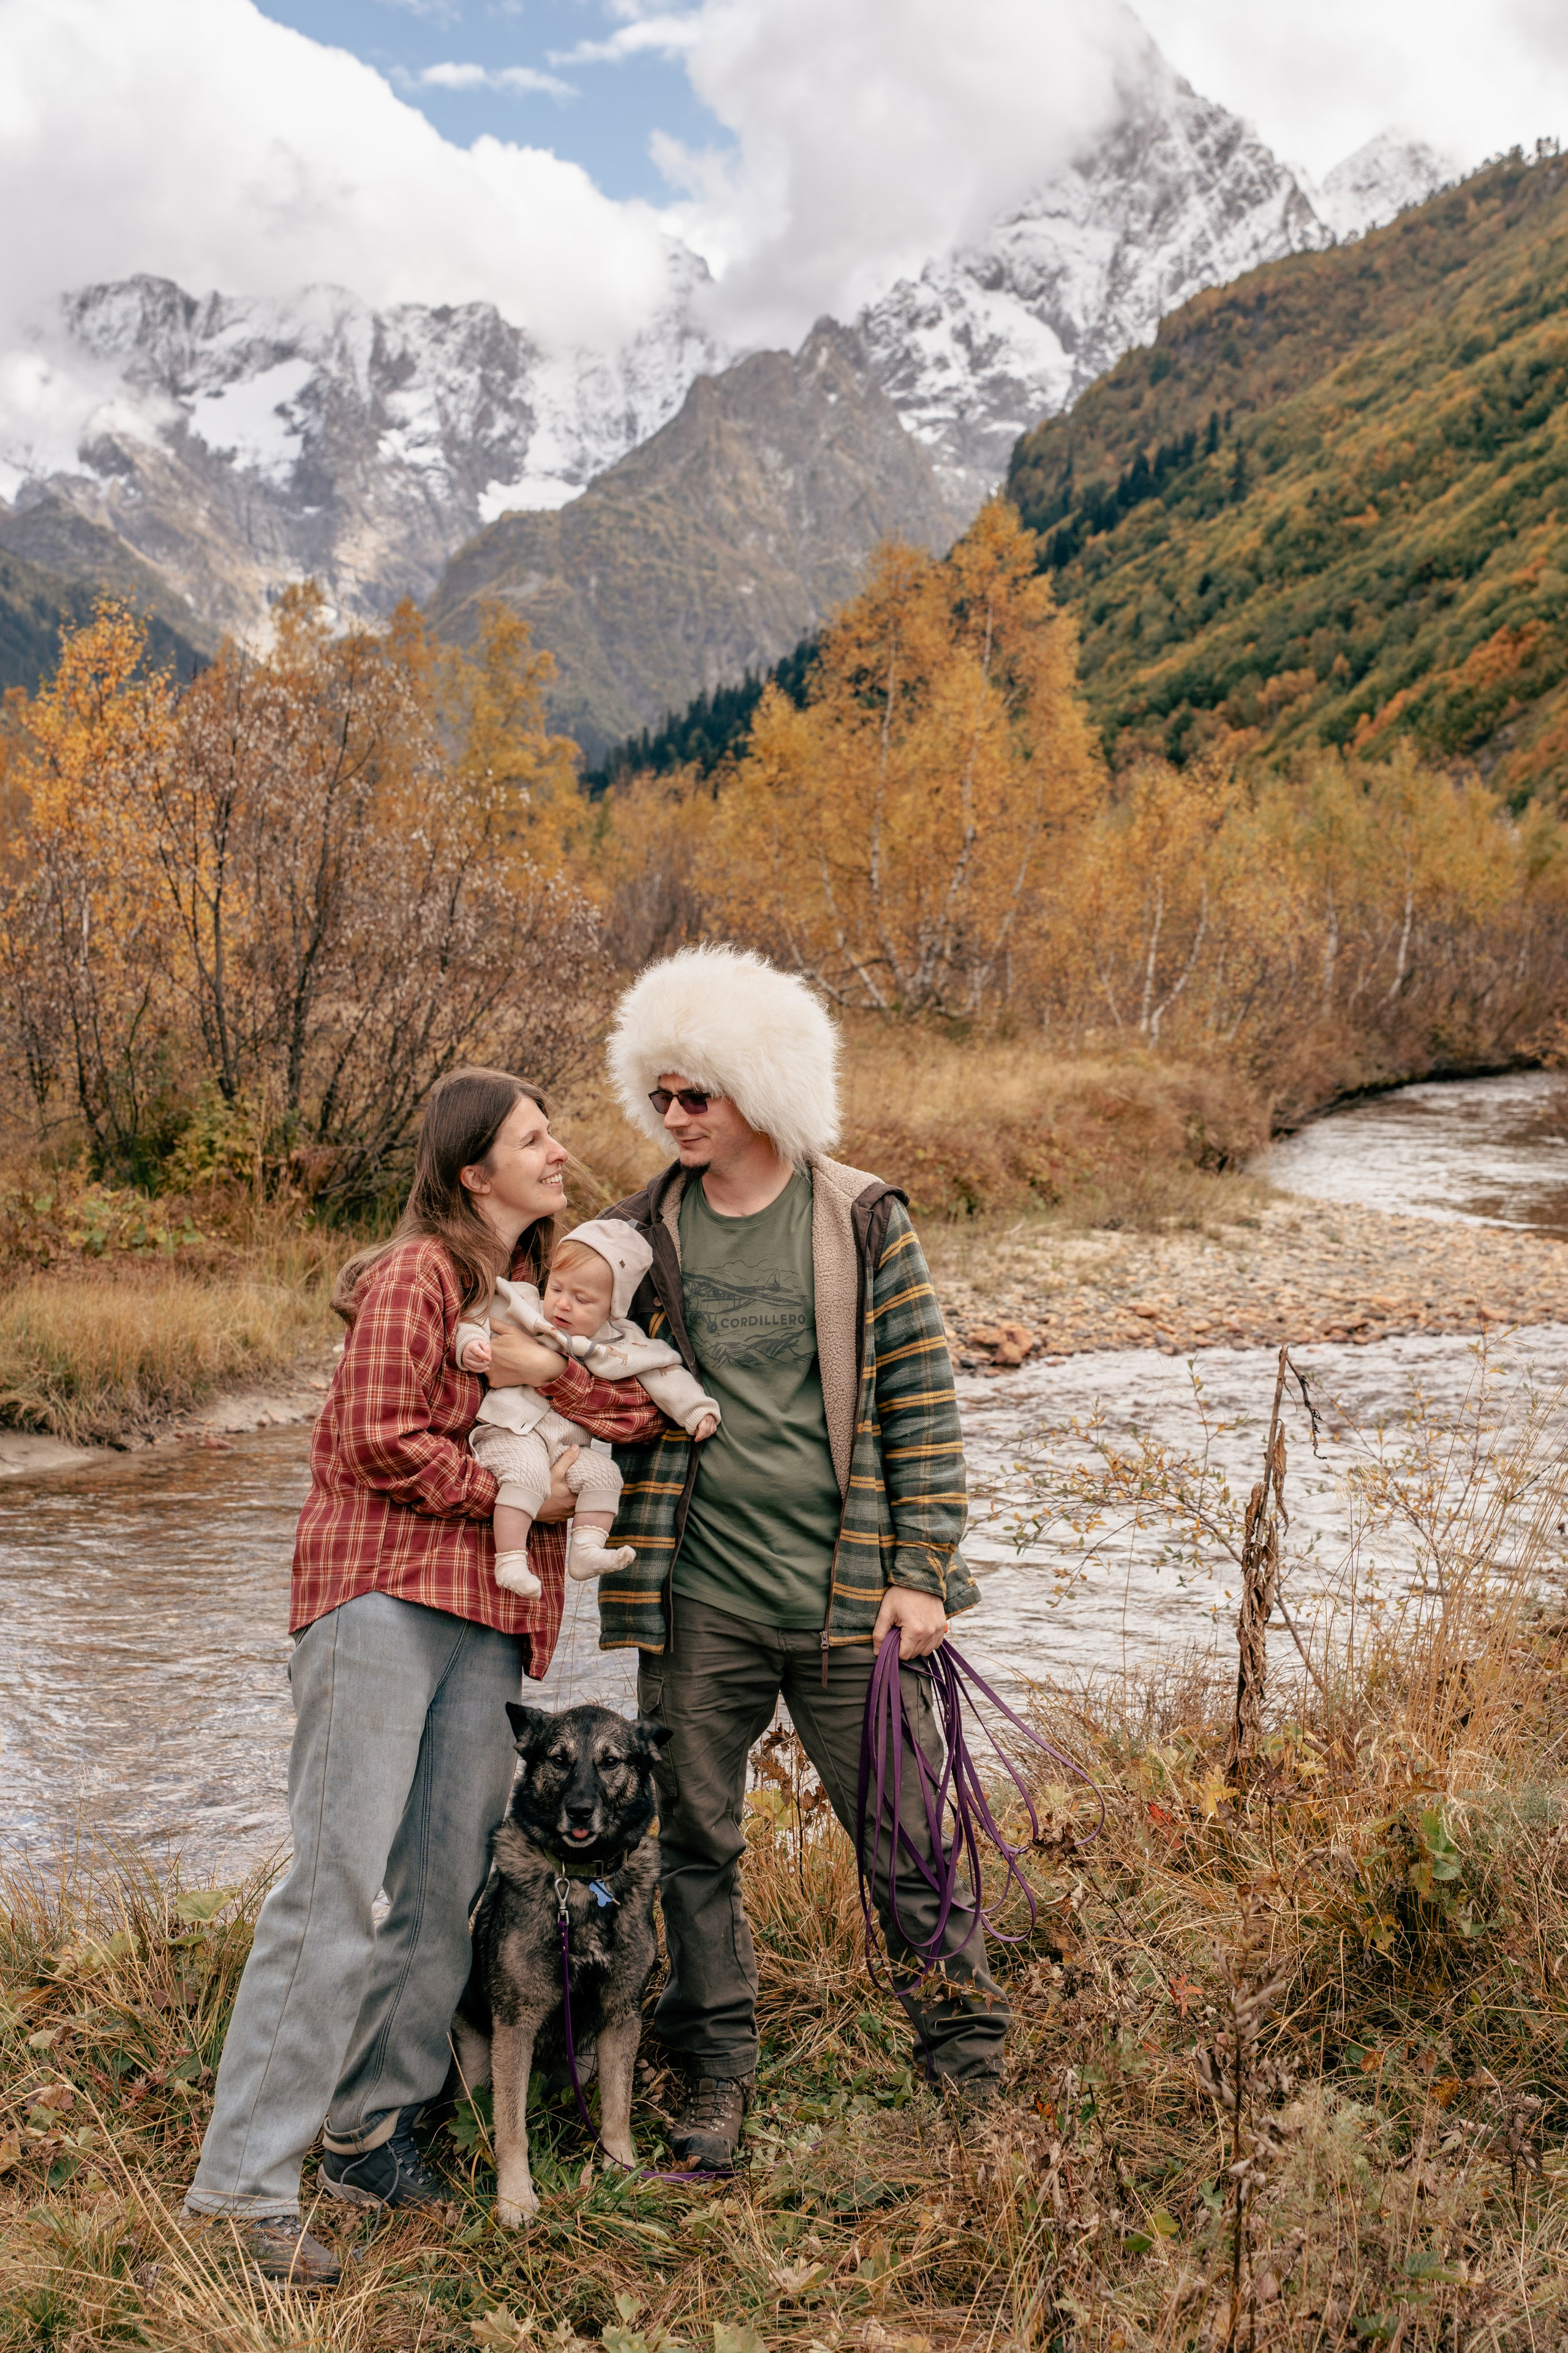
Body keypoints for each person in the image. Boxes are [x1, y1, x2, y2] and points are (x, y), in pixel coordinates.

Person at [183, 1070, 666, 2287]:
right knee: (338, 1881)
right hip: (381, 1602)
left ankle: (367, 2133)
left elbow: (631, 1409)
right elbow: (368, 1436)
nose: (560, 1155)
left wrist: (580, 1371)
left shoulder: (528, 1306)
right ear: (471, 1171)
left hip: (488, 1623)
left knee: (443, 1881)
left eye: (555, 1135)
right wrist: (527, 1492)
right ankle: (242, 2190)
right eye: (532, 1140)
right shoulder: (416, 1277)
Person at [598, 945, 1008, 2172]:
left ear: (757, 1088)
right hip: (696, 1597)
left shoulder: (861, 1216)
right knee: (689, 1848)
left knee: (907, 1847)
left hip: (852, 1604)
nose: (672, 1117)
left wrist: (921, 1571)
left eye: (695, 1097)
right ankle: (709, 2091)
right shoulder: (635, 1236)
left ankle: (968, 2086)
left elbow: (921, 1409)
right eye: (657, 1096)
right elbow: (558, 1352)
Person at [453, 1220, 722, 1587]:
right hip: (511, 1432)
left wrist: (696, 1409)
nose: (562, 1304)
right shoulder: (525, 1306)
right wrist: (469, 1344)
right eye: (557, 1288)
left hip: (568, 1448)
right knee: (527, 1475)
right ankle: (510, 1560)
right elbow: (477, 1314)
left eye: (582, 1299)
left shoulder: (621, 1342)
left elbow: (664, 1372)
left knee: (606, 1475)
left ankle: (585, 1550)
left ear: (613, 1309)